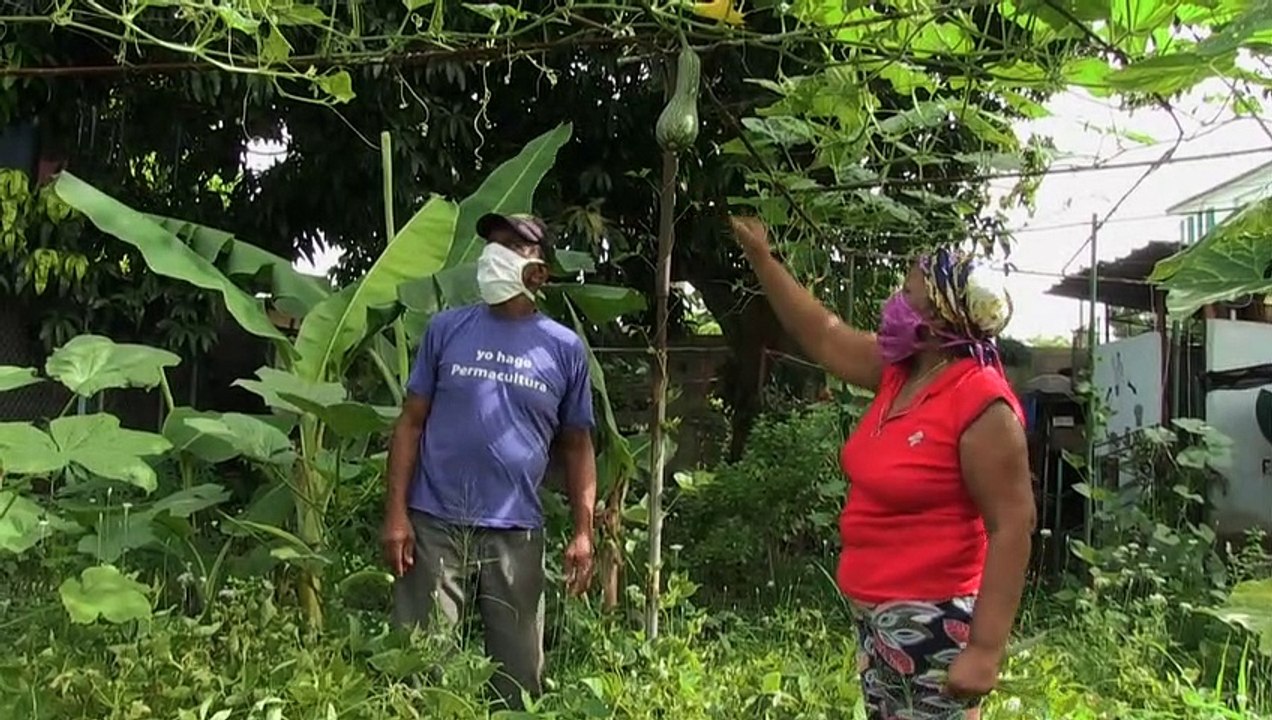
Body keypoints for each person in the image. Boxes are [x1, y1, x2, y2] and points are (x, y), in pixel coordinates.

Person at [729, 216, 1035, 720]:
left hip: (935, 623)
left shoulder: (981, 402)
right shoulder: (901, 372)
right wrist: (763, 258)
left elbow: (1012, 526)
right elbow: (823, 333)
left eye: (908, 291)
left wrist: (984, 649)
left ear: (939, 317)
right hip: (878, 620)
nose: (895, 299)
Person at [381, 212, 598, 709]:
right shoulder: (446, 329)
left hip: (516, 532)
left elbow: (578, 444)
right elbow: (410, 422)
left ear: (539, 272)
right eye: (492, 245)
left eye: (510, 247)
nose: (492, 256)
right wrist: (396, 514)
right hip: (434, 525)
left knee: (520, 685)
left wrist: (584, 532)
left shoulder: (563, 348)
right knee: (419, 675)